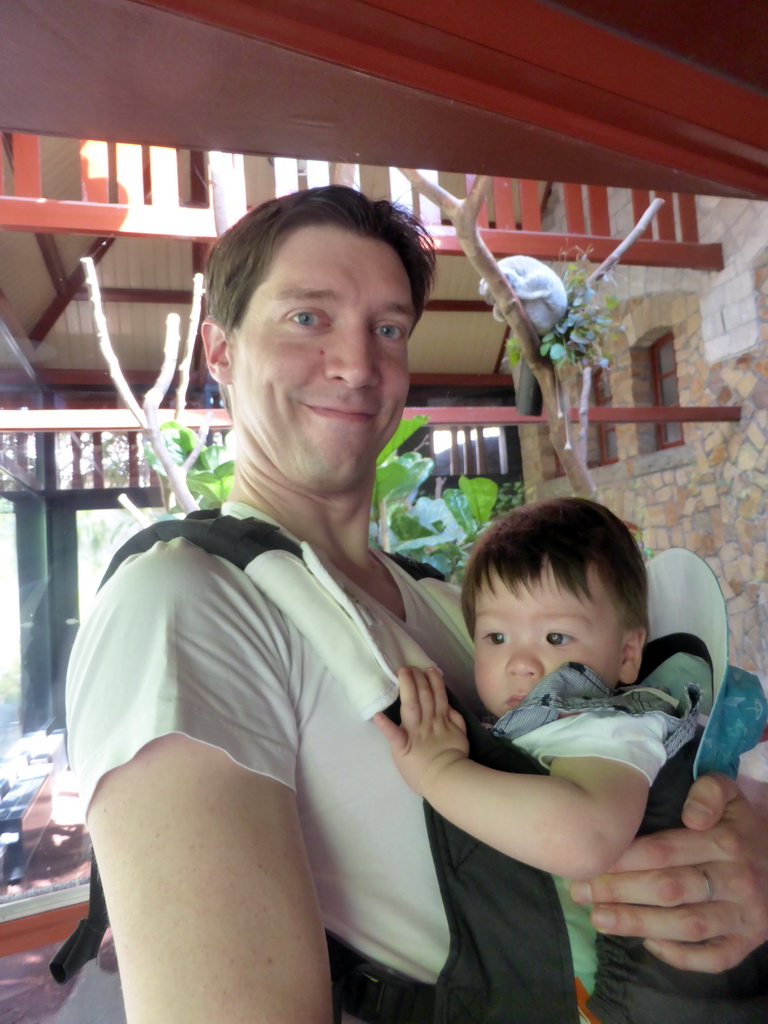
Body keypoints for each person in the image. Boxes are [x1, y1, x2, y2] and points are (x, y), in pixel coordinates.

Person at [65, 186, 768, 1024]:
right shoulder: (182, 603)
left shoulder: (445, 603)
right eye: (308, 319)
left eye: (387, 328)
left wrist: (733, 855)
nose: (357, 364)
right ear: (219, 350)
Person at [373, 497, 715, 1017]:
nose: (521, 662)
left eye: (555, 637)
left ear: (628, 655)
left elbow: (586, 838)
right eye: (496, 636)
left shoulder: (612, 726)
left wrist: (440, 772)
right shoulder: (545, 723)